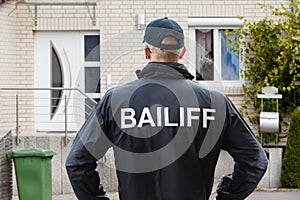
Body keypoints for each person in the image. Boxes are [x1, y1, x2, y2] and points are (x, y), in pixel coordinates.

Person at [66, 17, 268, 200]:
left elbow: (77, 163)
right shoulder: (215, 102)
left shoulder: (116, 100)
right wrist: (225, 195)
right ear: (182, 52)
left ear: (147, 51)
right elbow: (255, 161)